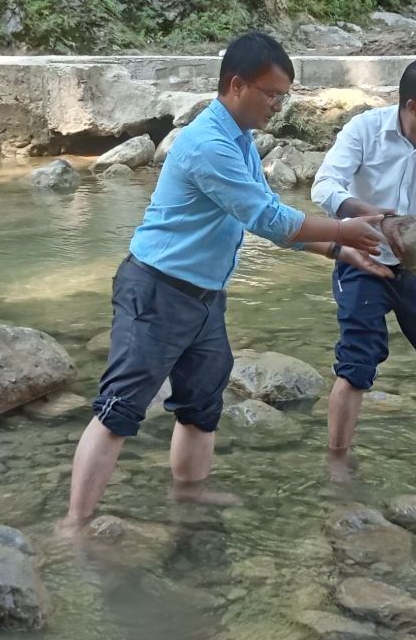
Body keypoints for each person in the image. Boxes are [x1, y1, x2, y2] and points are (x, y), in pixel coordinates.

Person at [62, 33, 385, 529]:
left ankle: (189, 498)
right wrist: (343, 229)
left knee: (202, 403)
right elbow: (269, 220)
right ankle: (76, 524)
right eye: (271, 93)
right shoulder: (208, 144)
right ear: (237, 85)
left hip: (204, 296)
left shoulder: (239, 141)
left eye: (283, 95)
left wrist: (339, 251)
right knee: (121, 407)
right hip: (157, 288)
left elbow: (275, 224)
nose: (278, 105)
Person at [313, 59, 416, 457]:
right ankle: (337, 463)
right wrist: (374, 218)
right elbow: (325, 187)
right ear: (413, 107)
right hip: (362, 257)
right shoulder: (364, 130)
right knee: (356, 360)